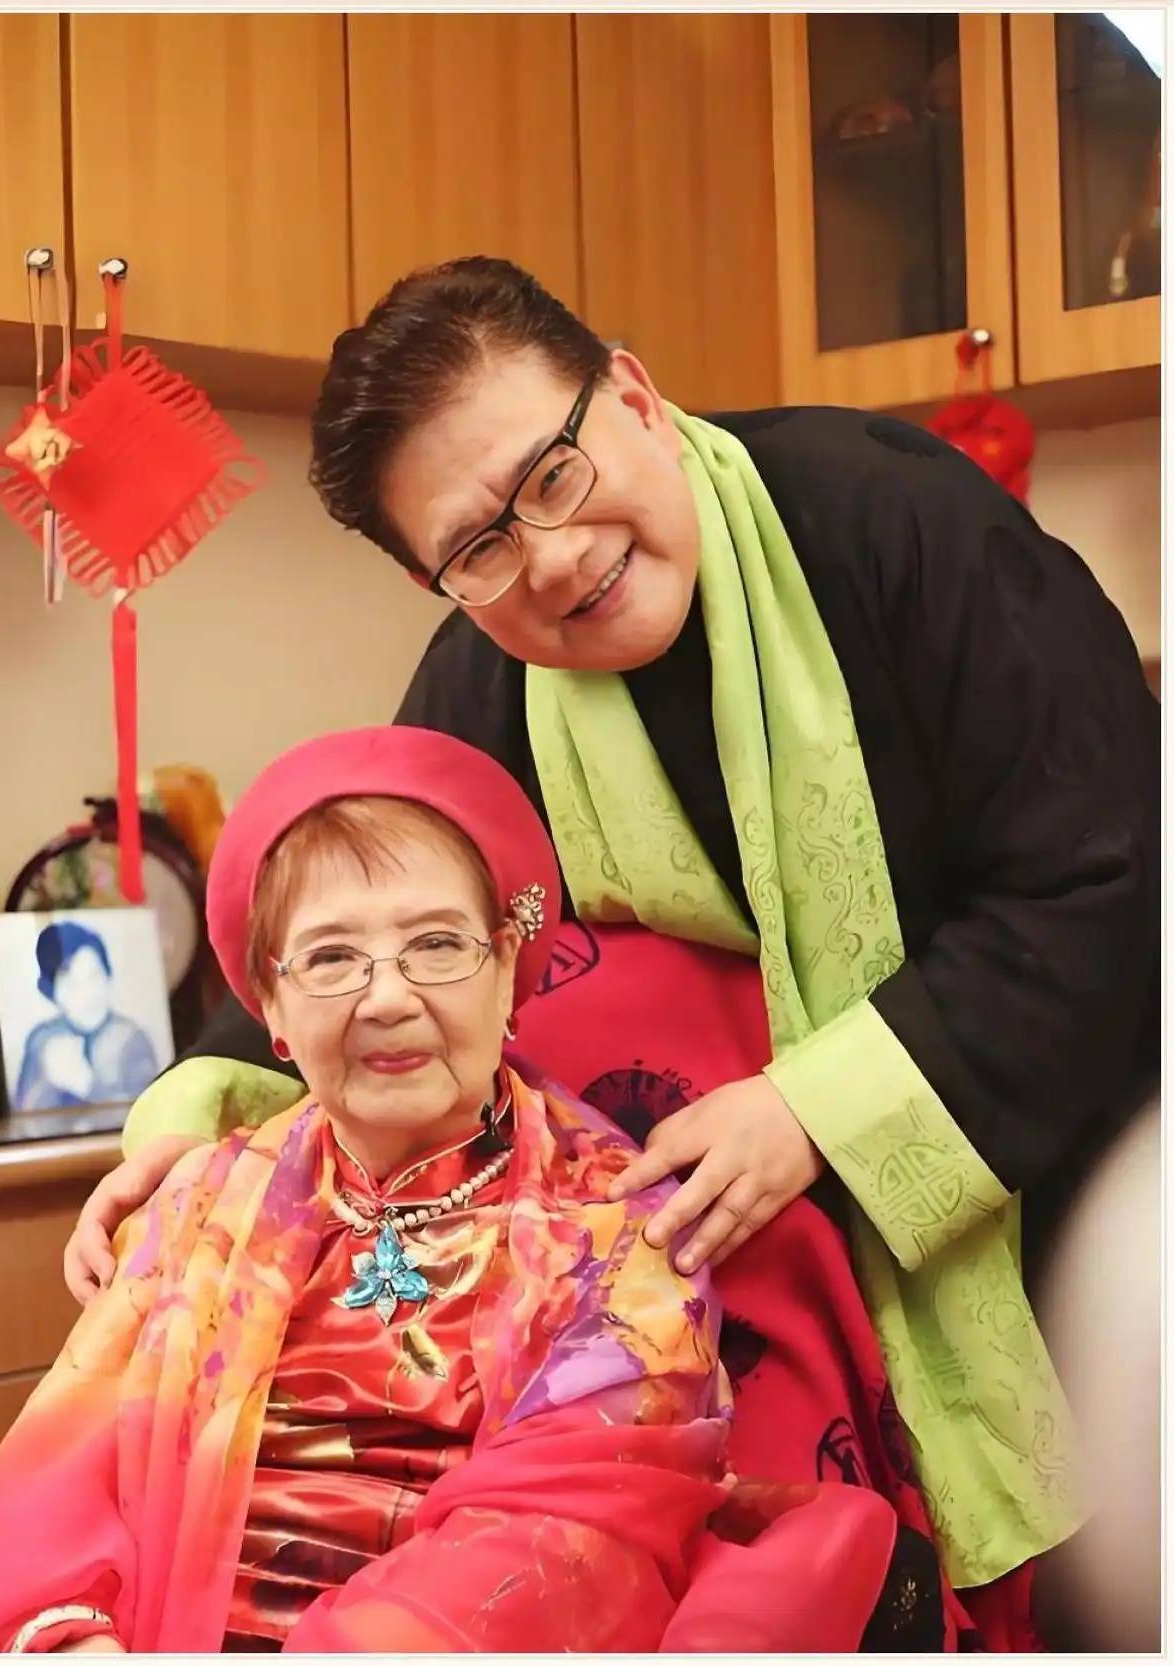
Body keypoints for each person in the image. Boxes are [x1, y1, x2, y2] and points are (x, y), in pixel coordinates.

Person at [64, 257, 1159, 1640]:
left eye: (556, 473)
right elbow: (357, 924)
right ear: (437, 581)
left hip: (1073, 1209)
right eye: (477, 548)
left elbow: (1114, 873)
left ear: (633, 395)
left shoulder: (899, 519)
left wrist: (814, 1111)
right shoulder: (486, 677)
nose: (551, 557)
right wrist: (189, 1139)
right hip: (724, 1289)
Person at [0, 727, 959, 1653]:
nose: (388, 997)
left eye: (437, 944)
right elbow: (62, 1471)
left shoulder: (617, 1229)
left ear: (508, 970)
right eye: (332, 958)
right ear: (274, 1012)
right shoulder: (202, 1198)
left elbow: (561, 1537)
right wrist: (75, 1639)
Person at [14, 921, 159, 1110]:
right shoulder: (41, 1040)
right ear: (52, 993)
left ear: (108, 976)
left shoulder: (131, 1039)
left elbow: (150, 1113)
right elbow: (23, 1115)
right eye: (72, 984)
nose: (88, 994)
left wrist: (88, 1085)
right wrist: (47, 1087)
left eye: (94, 976)